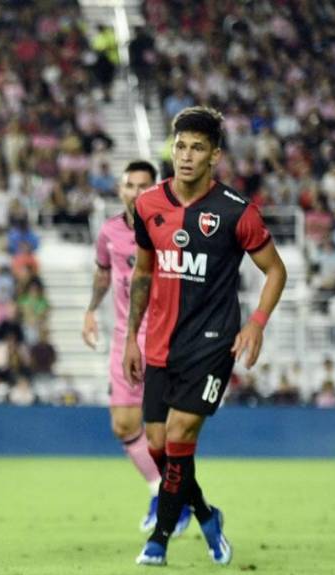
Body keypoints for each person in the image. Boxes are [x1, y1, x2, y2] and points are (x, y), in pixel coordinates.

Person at [125, 107, 287, 566]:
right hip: (158, 343)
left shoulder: (237, 212)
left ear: (214, 155)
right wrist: (129, 339)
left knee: (179, 434)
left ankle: (158, 540)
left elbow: (275, 270)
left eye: (198, 148)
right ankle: (206, 514)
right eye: (180, 146)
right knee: (158, 446)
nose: (187, 156)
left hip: (213, 343)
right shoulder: (148, 205)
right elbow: (142, 273)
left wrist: (256, 322)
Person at [82, 160, 191, 534]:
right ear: (121, 190)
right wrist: (92, 310)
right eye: (130, 185)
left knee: (170, 430)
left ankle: (182, 500)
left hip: (166, 337)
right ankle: (161, 492)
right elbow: (103, 272)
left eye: (144, 185)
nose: (136, 191)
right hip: (125, 339)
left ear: (155, 188)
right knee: (124, 423)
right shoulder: (109, 231)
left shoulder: (172, 226)